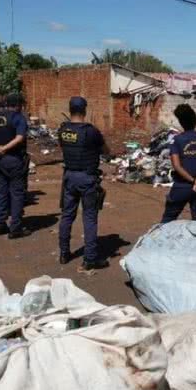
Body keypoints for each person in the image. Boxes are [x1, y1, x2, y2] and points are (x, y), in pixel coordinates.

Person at [58, 97, 110, 270]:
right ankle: (90, 259)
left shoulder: (63, 130)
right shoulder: (90, 131)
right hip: (87, 178)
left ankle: (64, 254)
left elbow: (64, 148)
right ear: (85, 110)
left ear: (70, 109)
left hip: (69, 177)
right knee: (89, 218)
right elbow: (105, 150)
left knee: (67, 215)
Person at [0, 94, 31, 239]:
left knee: (1, 192)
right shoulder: (18, 117)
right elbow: (19, 137)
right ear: (18, 105)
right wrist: (5, 147)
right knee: (17, 193)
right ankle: (15, 227)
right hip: (14, 159)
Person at [161, 104, 196, 223]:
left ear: (181, 123)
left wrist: (192, 180)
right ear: (195, 121)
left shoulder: (177, 140)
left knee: (168, 219)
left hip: (182, 187)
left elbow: (177, 166)